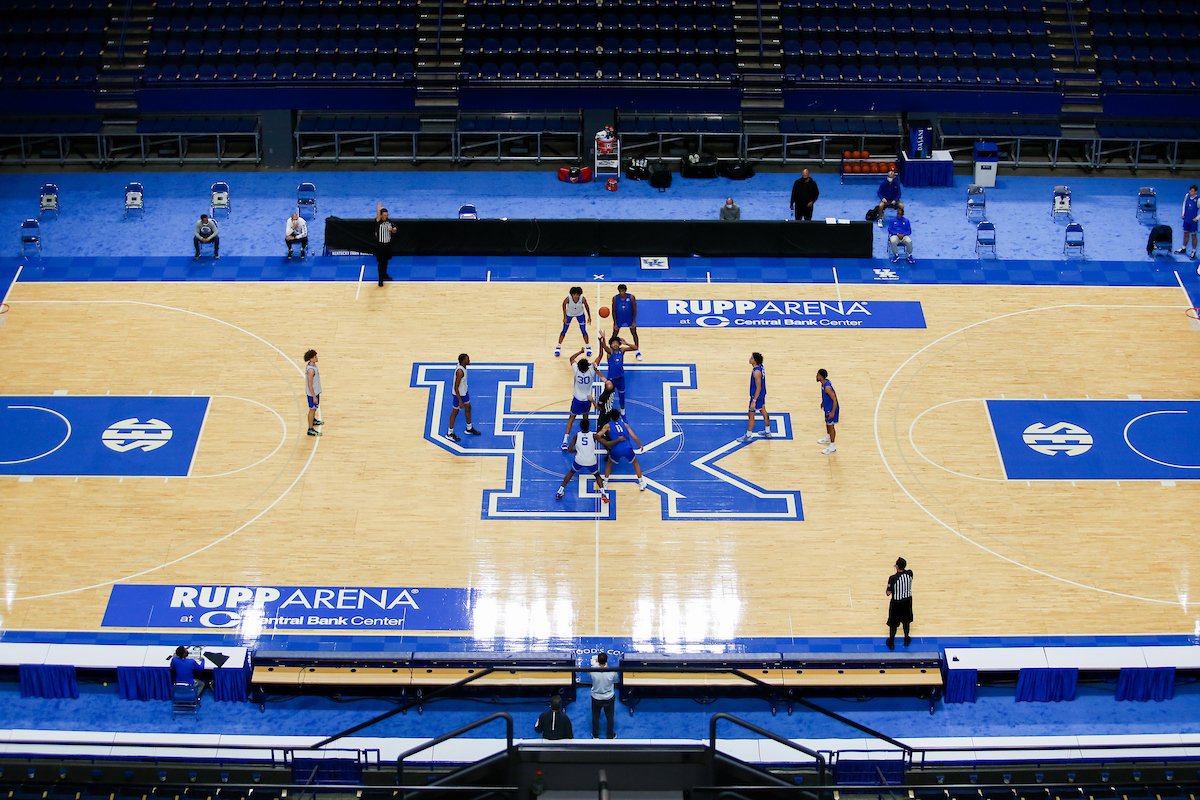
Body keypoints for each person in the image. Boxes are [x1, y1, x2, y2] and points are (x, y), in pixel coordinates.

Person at [597, 409, 647, 499]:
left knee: (609, 463)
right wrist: (639, 444)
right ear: (619, 416)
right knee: (635, 462)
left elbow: (599, 434)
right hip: (627, 447)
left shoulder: (607, 426)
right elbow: (634, 437)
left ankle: (605, 483)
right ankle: (641, 483)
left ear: (610, 417)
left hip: (616, 449)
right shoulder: (625, 425)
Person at [562, 354, 602, 450]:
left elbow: (571, 359)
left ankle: (565, 441)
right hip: (587, 400)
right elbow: (600, 355)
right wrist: (601, 342)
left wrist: (580, 351)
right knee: (585, 418)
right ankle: (586, 437)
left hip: (577, 399)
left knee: (571, 418)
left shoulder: (576, 370)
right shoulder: (591, 370)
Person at [555, 417, 601, 499]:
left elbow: (569, 450)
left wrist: (575, 451)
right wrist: (617, 440)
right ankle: (603, 493)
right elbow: (606, 443)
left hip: (579, 460)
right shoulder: (593, 436)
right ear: (589, 426)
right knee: (597, 475)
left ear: (580, 426)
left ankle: (560, 490)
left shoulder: (577, 435)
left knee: (571, 472)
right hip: (591, 461)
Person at [597, 331, 636, 414]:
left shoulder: (622, 350)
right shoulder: (610, 352)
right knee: (607, 395)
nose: (615, 344)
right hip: (611, 379)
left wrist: (627, 343)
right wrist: (603, 339)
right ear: (611, 345)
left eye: (616, 343)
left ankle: (622, 411)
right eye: (613, 343)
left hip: (620, 378)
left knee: (622, 396)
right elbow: (604, 347)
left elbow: (635, 347)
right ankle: (602, 407)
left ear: (619, 344)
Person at [445, 353, 481, 442]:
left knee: (468, 408)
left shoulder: (463, 367)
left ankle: (469, 428)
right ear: (463, 361)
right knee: (455, 412)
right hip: (458, 395)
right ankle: (450, 433)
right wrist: (460, 401)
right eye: (467, 359)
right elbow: (455, 387)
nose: (469, 360)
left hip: (464, 392)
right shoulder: (460, 372)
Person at [738, 352, 770, 443]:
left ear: (755, 361)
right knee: (763, 410)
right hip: (762, 394)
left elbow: (758, 387)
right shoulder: (760, 367)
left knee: (751, 414)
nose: (750, 359)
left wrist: (754, 400)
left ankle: (748, 435)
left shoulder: (756, 372)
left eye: (752, 358)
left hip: (756, 396)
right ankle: (767, 431)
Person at [885, 557, 914, 650]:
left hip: (896, 603)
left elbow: (888, 593)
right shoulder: (910, 573)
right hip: (907, 601)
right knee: (906, 621)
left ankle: (892, 642)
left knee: (893, 623)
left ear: (896, 566)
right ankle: (906, 639)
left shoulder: (893, 578)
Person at [556, 286, 592, 358]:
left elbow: (587, 306)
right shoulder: (568, 298)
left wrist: (589, 317)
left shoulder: (582, 299)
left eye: (577, 294)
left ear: (579, 295)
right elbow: (563, 304)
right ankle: (558, 347)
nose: (575, 296)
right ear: (571, 294)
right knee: (564, 330)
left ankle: (588, 347)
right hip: (569, 314)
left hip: (580, 314)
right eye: (574, 294)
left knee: (583, 331)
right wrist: (564, 316)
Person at [589, 652, 617, 739]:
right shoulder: (612, 672)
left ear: (597, 660)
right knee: (610, 717)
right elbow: (615, 679)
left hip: (596, 698)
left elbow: (590, 676)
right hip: (608, 698)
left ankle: (595, 734)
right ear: (607, 661)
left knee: (595, 716)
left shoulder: (592, 670)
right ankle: (610, 735)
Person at [611, 284, 642, 361]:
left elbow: (635, 309)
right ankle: (611, 351)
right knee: (614, 335)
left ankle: (637, 351)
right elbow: (613, 311)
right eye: (620, 291)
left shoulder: (631, 297)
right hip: (619, 319)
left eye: (623, 291)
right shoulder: (615, 298)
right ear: (619, 291)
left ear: (625, 291)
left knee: (634, 334)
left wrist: (634, 321)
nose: (622, 292)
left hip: (629, 319)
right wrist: (614, 322)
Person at [817, 368, 838, 454]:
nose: (816, 376)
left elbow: (834, 399)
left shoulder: (827, 387)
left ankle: (832, 446)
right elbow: (826, 396)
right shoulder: (823, 384)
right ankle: (828, 438)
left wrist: (833, 412)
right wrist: (823, 402)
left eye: (817, 375)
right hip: (827, 407)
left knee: (831, 426)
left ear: (821, 376)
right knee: (827, 422)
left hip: (831, 408)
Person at [375, 202, 395, 286]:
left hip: (388, 245)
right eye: (384, 215)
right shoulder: (378, 222)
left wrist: (392, 229)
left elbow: (395, 230)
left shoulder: (390, 222)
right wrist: (379, 209)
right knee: (381, 262)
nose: (386, 216)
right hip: (381, 246)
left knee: (386, 261)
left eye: (387, 215)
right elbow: (378, 217)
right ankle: (380, 279)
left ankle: (385, 274)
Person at [1178, 184, 1198, 258]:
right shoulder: (1187, 196)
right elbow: (1184, 204)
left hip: (1193, 221)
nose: (1191, 192)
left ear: (1195, 192)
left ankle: (1193, 251)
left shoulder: (1198, 200)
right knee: (1186, 233)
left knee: (1193, 236)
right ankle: (1184, 248)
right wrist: (1183, 213)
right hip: (1187, 219)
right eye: (1190, 190)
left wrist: (1197, 218)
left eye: (1192, 191)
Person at [305, 349, 322, 437]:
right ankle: (310, 429)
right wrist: (314, 396)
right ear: (311, 359)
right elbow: (309, 384)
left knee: (315, 408)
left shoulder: (314, 366)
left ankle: (314, 420)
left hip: (316, 391)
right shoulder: (311, 370)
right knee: (312, 409)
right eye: (315, 357)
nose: (317, 358)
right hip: (313, 393)